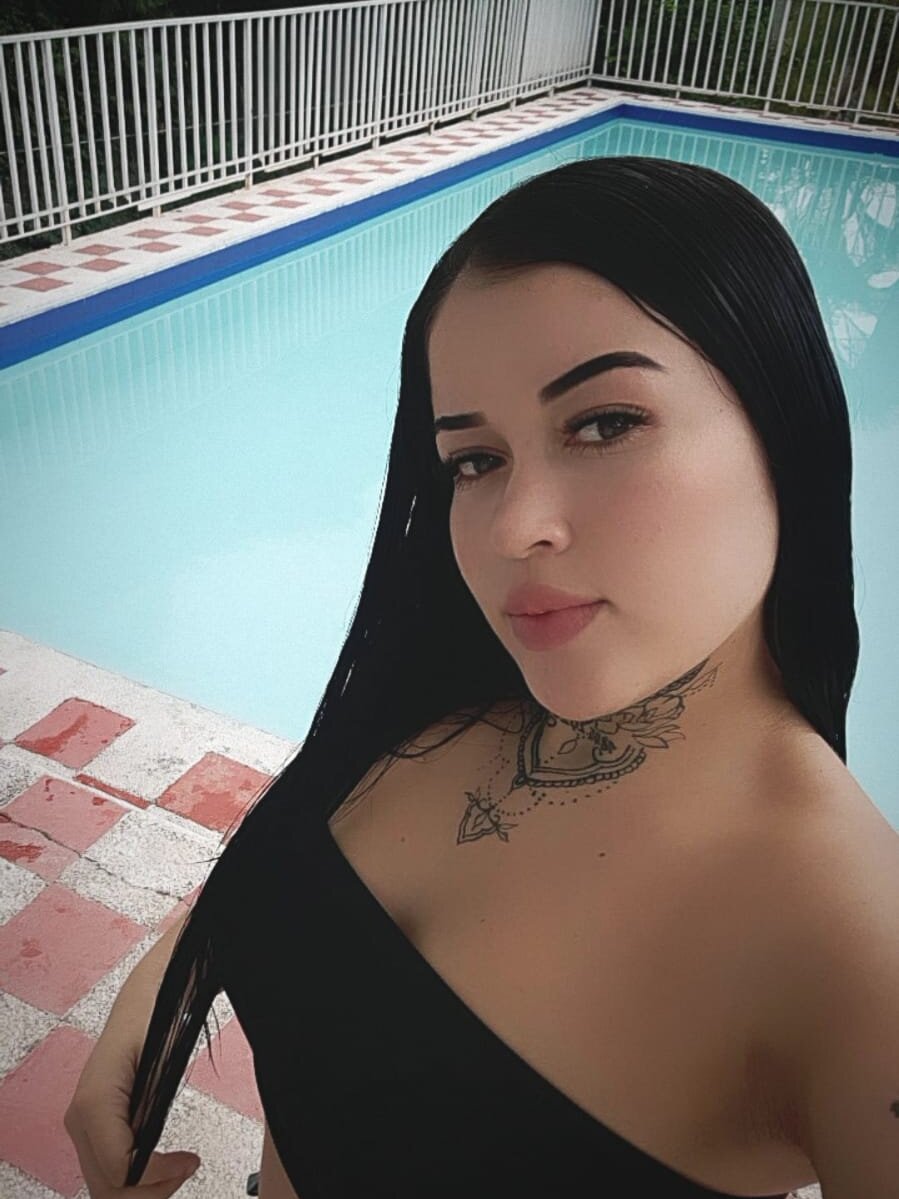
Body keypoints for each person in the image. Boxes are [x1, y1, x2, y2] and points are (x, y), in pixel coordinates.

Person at [64, 155, 899, 1198]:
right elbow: (298, 876)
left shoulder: (851, 950)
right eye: (474, 459)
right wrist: (157, 999)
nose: (511, 527)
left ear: (786, 430)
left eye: (604, 423)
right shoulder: (455, 696)